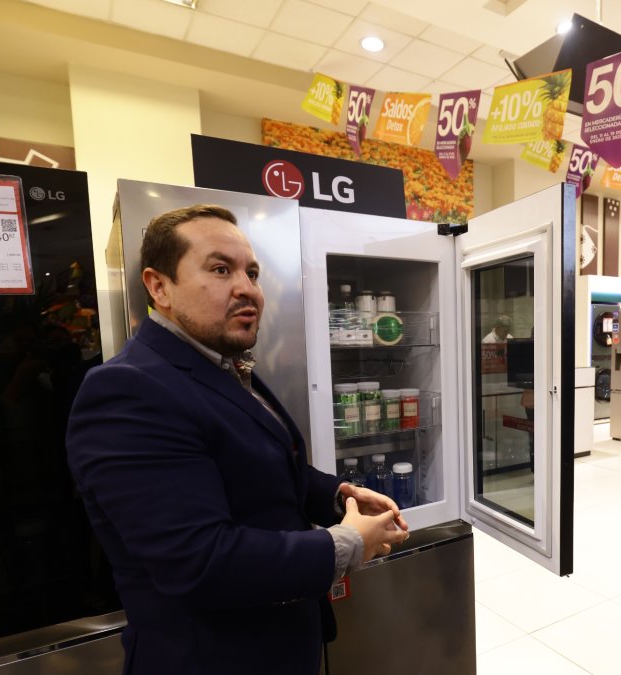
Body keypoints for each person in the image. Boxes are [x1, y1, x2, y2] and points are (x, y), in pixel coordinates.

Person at [66, 204, 409, 675]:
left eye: (251, 272)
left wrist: (336, 495)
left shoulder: (222, 365)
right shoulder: (127, 390)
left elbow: (263, 464)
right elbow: (199, 561)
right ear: (158, 286)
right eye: (220, 269)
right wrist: (345, 543)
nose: (247, 288)